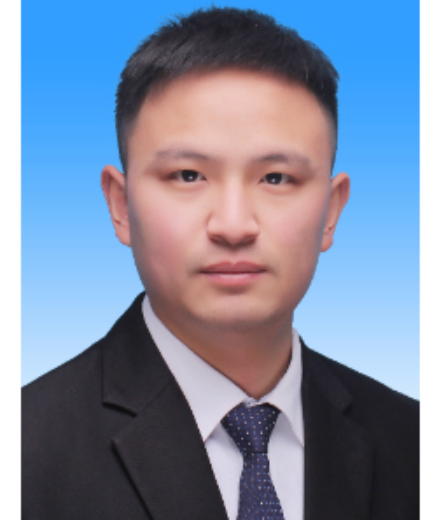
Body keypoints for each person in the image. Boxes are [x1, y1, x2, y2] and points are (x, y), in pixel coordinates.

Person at [20, 7, 421, 520]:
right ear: (120, 205)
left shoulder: (407, 440)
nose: (233, 226)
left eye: (276, 178)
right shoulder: (33, 450)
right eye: (188, 175)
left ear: (331, 211)